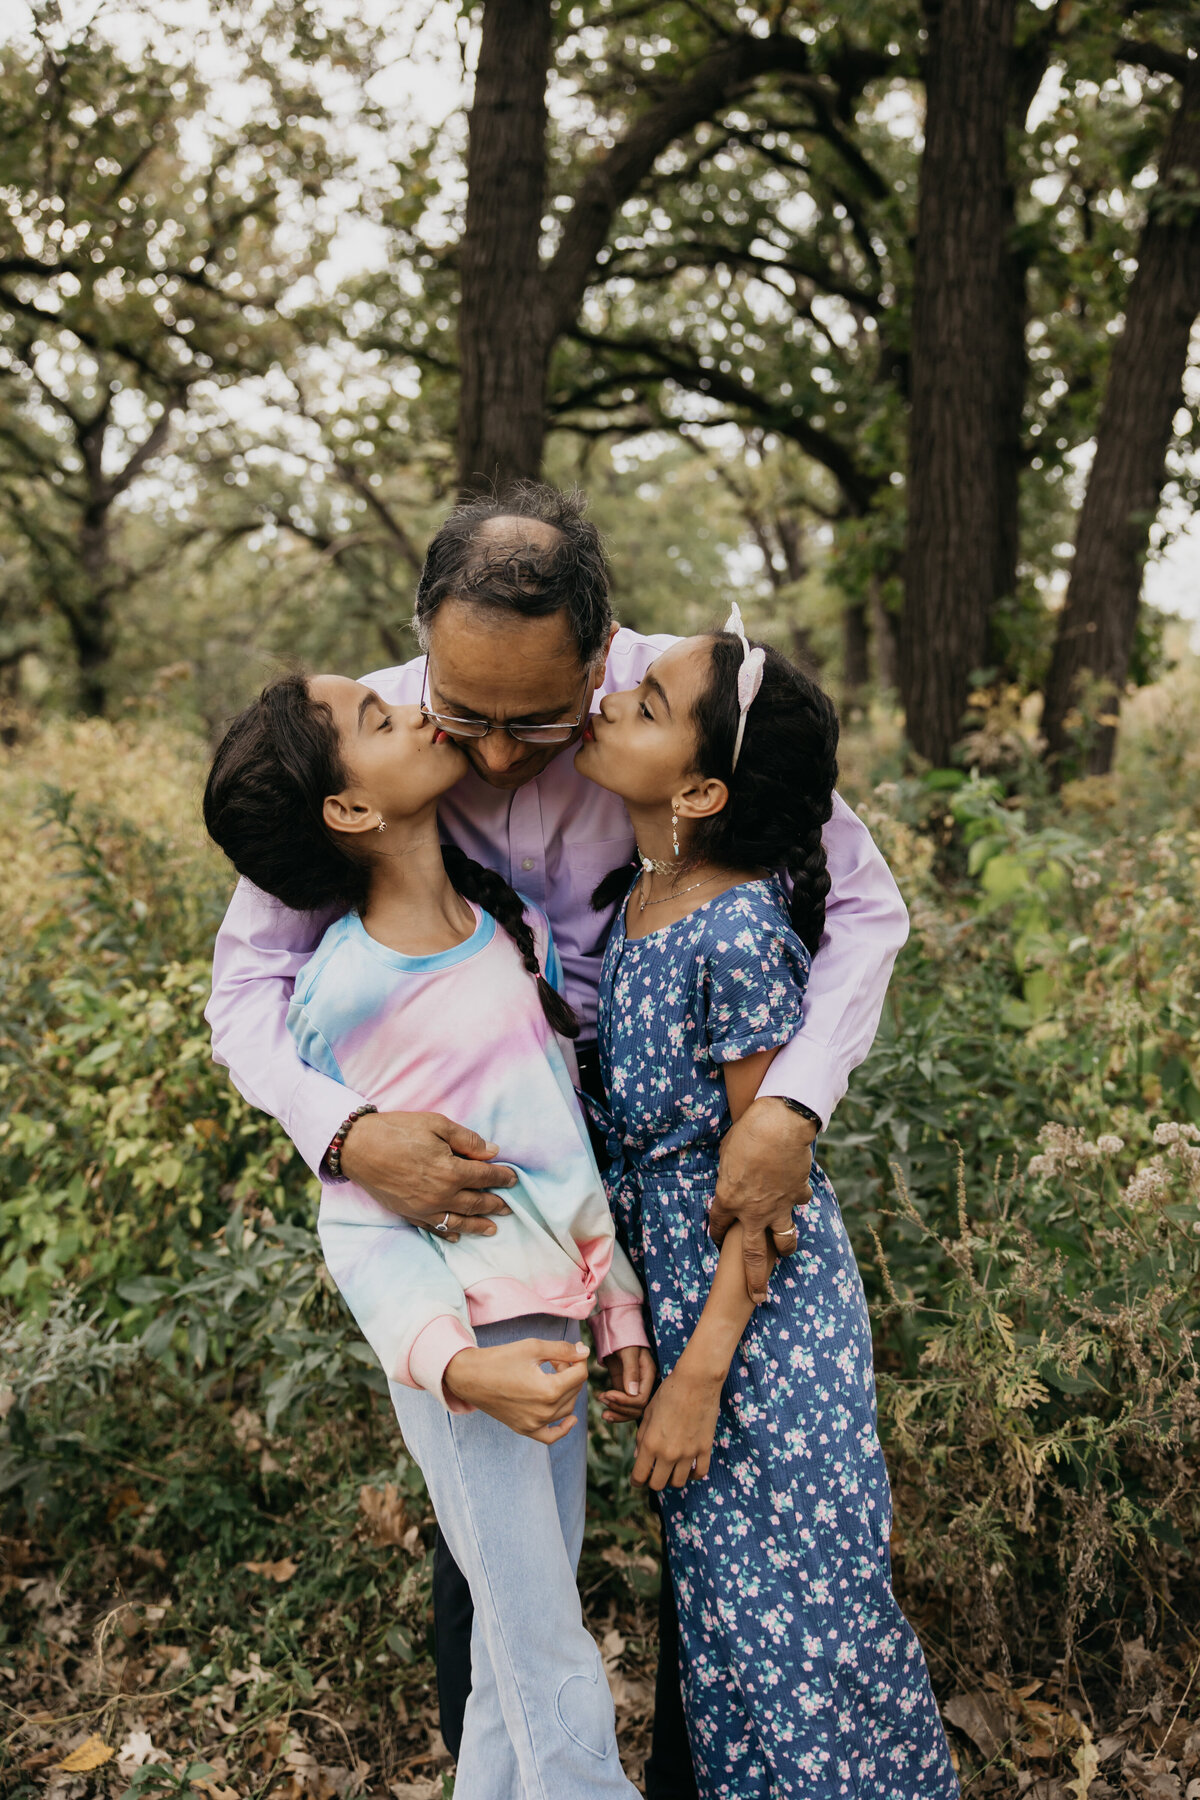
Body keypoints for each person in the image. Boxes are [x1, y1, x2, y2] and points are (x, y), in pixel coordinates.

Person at [204, 482, 911, 1798]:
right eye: (465, 712)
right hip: (483, 1186)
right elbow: (245, 990)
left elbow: (864, 909)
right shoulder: (367, 737)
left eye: (540, 717)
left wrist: (790, 1106)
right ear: (425, 642)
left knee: (717, 1514)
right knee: (499, 1536)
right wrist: (350, 1134)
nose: (498, 751)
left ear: (603, 651)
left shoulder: (688, 712)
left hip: (695, 1149)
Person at [203, 668, 655, 1798]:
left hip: (549, 1337)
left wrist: (615, 1302)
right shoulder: (346, 991)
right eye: (376, 719)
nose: (413, 711)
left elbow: (558, 1149)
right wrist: (457, 1366)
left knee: (510, 1668)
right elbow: (356, 1222)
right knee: (549, 1652)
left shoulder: (505, 932)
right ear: (349, 812)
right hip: (468, 1360)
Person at [574, 611, 958, 1799]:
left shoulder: (736, 929)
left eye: (643, 707)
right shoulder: (637, 905)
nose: (612, 701)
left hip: (760, 1326)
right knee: (735, 1637)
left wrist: (697, 1375)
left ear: (696, 790)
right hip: (683, 1299)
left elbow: (762, 1199)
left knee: (810, 1633)